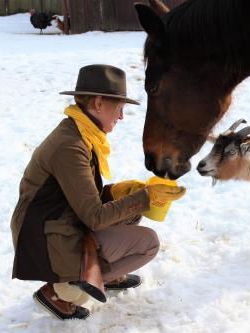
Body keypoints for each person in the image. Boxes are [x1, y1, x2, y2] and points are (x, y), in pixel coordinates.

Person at [10, 64, 185, 320]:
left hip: (56, 224)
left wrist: (122, 192)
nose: (122, 116)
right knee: (149, 243)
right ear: (99, 103)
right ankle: (62, 291)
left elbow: (80, 198)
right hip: (46, 238)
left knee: (129, 207)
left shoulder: (81, 133)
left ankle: (100, 275)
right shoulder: (70, 146)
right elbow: (93, 216)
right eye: (119, 108)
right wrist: (146, 198)